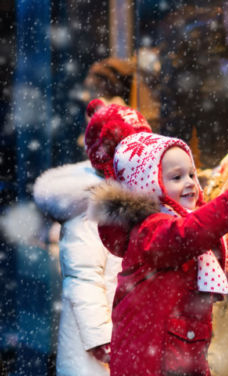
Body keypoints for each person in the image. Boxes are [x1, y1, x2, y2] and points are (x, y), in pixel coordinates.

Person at [88, 131, 228, 375]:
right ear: (149, 185)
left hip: (178, 346)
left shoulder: (173, 223)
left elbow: (188, 247)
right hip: (155, 355)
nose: (190, 182)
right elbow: (186, 236)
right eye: (177, 177)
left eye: (191, 174)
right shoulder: (151, 227)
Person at [33, 99, 152, 375]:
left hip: (126, 332)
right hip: (97, 346)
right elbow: (82, 277)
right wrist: (101, 338)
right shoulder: (92, 206)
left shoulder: (129, 199)